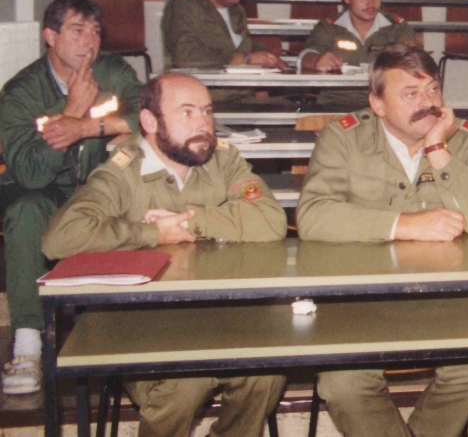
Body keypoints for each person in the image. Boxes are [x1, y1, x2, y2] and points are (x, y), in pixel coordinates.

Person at [41, 73, 286, 435]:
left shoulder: (223, 160)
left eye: (206, 111)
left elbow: (271, 220)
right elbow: (59, 237)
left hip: (215, 309)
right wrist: (153, 232)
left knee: (265, 373)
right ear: (150, 122)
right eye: (186, 113)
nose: (203, 123)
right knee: (185, 384)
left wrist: (191, 219)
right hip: (140, 319)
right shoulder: (123, 172)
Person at [296, 46, 468, 437]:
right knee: (343, 383)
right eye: (410, 93)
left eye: (432, 89)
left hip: (447, 298)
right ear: (377, 103)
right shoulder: (343, 139)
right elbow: (311, 216)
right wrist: (403, 224)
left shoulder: (464, 140)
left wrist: (438, 150)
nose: (427, 103)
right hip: (359, 298)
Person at [0, 0, 143, 395]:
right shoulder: (21, 92)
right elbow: (28, 172)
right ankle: (28, 342)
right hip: (45, 189)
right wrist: (73, 110)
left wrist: (87, 127)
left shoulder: (112, 73)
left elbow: (148, 113)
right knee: (26, 210)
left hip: (99, 182)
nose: (89, 42)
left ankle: (132, 327)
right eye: (77, 31)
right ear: (50, 36)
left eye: (95, 32)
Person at [299, 0, 414, 107]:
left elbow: (414, 64)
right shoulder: (329, 27)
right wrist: (317, 60)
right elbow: (306, 56)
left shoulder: (397, 28)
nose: (371, 3)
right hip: (335, 105)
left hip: (384, 106)